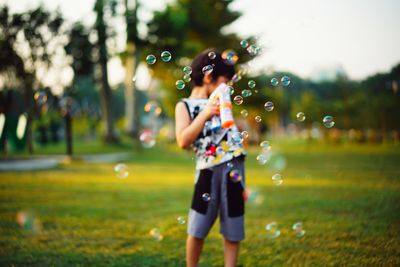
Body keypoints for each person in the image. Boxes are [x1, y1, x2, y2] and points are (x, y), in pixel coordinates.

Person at [175, 49, 246, 267]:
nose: (228, 87)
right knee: (198, 227)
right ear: (208, 77)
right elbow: (183, 140)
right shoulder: (184, 105)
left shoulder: (222, 102)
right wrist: (206, 112)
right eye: (225, 81)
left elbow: (232, 136)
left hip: (234, 166)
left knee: (233, 226)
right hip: (208, 169)